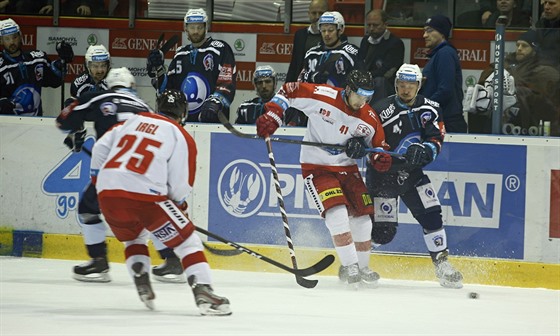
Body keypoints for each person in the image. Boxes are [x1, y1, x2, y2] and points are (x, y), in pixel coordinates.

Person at [90, 88, 231, 315]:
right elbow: (180, 184)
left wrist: (100, 183)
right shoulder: (179, 134)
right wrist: (178, 207)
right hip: (145, 198)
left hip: (108, 195)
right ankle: (203, 291)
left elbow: (99, 149)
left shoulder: (131, 121)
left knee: (135, 236)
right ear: (183, 114)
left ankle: (140, 276)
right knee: (188, 241)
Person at [256, 70, 392, 288]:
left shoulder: (368, 117)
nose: (363, 101)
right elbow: (289, 90)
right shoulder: (323, 95)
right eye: (360, 95)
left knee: (363, 220)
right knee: (337, 214)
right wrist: (274, 114)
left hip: (347, 168)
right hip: (316, 167)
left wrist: (378, 157)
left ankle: (363, 267)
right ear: (348, 89)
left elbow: (379, 147)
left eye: (368, 96)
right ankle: (350, 267)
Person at [56, 67, 185, 283]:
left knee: (88, 209)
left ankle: (99, 261)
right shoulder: (145, 108)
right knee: (150, 213)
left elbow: (63, 120)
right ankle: (172, 260)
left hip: (114, 172)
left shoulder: (98, 96)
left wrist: (77, 132)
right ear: (132, 87)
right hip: (146, 171)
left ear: (108, 85)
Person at [366, 63, 463, 289]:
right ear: (396, 84)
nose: (406, 90)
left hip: (411, 173)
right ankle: (357, 260)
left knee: (432, 215)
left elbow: (436, 138)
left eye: (411, 85)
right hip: (383, 177)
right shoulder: (380, 109)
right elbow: (366, 138)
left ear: (419, 85)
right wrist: (364, 149)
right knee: (383, 232)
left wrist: (427, 150)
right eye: (401, 85)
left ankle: (442, 265)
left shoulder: (431, 108)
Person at [146, 8, 236, 123]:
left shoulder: (220, 49)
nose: (196, 31)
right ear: (186, 29)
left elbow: (227, 81)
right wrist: (157, 69)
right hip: (183, 121)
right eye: (192, 27)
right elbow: (169, 89)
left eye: (199, 27)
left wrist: (216, 101)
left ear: (206, 27)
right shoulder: (180, 54)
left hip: (213, 122)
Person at [469, 30, 560, 135]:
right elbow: (487, 77)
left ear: (535, 49)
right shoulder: (505, 63)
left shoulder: (543, 69)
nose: (519, 49)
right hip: (500, 120)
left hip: (530, 124)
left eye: (524, 46)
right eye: (518, 45)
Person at [0, 18, 73, 116]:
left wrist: (62, 63)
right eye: (7, 39)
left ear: (20, 37)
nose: (12, 42)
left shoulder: (37, 59)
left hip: (35, 121)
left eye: (14, 37)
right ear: (1, 41)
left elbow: (54, 81)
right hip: (8, 123)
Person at [419, 15, 467, 133]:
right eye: (424, 31)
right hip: (440, 118)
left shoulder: (445, 53)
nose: (425, 35)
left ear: (442, 33)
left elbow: (445, 90)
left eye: (430, 31)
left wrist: (423, 107)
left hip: (448, 121)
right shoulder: (438, 54)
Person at [358, 9, 404, 102]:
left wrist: (365, 77)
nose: (371, 28)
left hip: (385, 85)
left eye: (375, 25)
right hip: (365, 81)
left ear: (385, 24)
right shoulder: (365, 40)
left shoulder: (395, 43)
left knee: (379, 81)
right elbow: (359, 61)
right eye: (369, 25)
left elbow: (387, 71)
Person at [285, 0, 328, 83]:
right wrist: (288, 86)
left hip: (324, 85)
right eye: (314, 13)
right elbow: (294, 64)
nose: (317, 17)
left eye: (321, 13)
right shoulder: (300, 35)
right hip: (302, 84)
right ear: (309, 14)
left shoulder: (333, 36)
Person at [535, 0, 560, 69]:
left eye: (552, 3)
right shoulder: (541, 24)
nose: (546, 7)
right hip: (538, 68)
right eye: (545, 3)